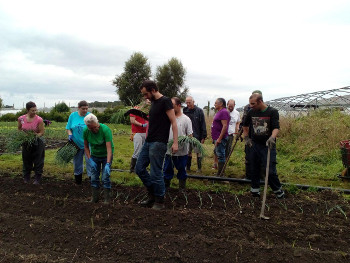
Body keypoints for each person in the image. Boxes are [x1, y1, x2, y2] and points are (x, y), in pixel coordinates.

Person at [135, 80, 178, 210]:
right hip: (149, 141)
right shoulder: (153, 102)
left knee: (155, 172)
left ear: (153, 90)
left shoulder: (165, 101)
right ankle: (153, 193)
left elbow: (174, 122)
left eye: (146, 94)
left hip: (159, 142)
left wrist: (175, 142)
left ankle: (159, 200)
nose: (145, 97)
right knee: (139, 168)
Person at [242, 93, 285, 198]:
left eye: (253, 104)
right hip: (254, 145)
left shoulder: (272, 112)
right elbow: (245, 125)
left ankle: (278, 191)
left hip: (267, 145)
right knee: (254, 169)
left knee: (269, 170)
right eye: (250, 104)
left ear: (260, 101)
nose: (251, 106)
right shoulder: (251, 112)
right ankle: (255, 191)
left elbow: (276, 127)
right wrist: (247, 137)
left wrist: (272, 137)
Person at [163, 97, 193, 192]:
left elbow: (190, 135)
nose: (170, 108)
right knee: (167, 169)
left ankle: (181, 189)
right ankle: (166, 187)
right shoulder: (167, 118)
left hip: (182, 151)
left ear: (179, 106)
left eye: (173, 106)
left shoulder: (186, 119)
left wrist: (189, 149)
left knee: (181, 170)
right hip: (169, 150)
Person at [83, 114, 114, 204]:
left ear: (97, 123)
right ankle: (95, 198)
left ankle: (107, 200)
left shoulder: (105, 130)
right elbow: (86, 147)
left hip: (105, 156)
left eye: (95, 127)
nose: (94, 130)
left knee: (105, 177)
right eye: (91, 128)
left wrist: (108, 163)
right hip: (95, 156)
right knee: (94, 177)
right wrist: (90, 160)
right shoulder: (86, 131)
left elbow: (109, 148)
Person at [18, 101, 45, 184]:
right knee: (26, 159)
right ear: (27, 110)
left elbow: (41, 132)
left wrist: (34, 136)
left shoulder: (39, 119)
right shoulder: (21, 119)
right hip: (26, 142)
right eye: (32, 110)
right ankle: (26, 177)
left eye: (35, 110)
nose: (34, 112)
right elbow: (19, 129)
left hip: (37, 142)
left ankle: (37, 178)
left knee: (38, 160)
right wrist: (24, 136)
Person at [66, 100, 91, 184]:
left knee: (90, 162)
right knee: (77, 163)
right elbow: (68, 127)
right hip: (76, 144)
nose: (85, 111)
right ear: (78, 108)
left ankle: (92, 179)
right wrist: (70, 134)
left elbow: (96, 128)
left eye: (86, 109)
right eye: (83, 109)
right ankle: (78, 181)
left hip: (88, 144)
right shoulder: (73, 116)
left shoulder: (90, 116)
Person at [240, 90, 263, 179]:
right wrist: (241, 131)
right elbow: (244, 121)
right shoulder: (247, 108)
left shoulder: (266, 108)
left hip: (260, 136)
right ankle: (249, 176)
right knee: (248, 156)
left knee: (260, 158)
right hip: (249, 135)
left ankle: (261, 177)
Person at [183, 96, 207, 173]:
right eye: (186, 102)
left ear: (193, 102)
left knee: (198, 152)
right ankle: (188, 167)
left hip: (197, 136)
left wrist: (203, 136)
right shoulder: (185, 110)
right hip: (187, 136)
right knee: (188, 151)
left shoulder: (199, 111)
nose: (188, 104)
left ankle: (199, 168)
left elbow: (203, 123)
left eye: (189, 102)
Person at [211, 98, 230, 176]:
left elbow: (225, 126)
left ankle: (221, 174)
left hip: (220, 138)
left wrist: (219, 138)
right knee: (218, 153)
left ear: (221, 103)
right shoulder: (220, 112)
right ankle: (220, 172)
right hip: (216, 137)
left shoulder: (224, 112)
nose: (214, 104)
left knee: (221, 154)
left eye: (215, 103)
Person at [129, 104, 148, 173]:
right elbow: (132, 120)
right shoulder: (135, 109)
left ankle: (141, 167)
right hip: (137, 133)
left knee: (144, 151)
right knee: (137, 150)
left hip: (146, 133)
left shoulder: (149, 110)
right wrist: (142, 125)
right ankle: (132, 168)